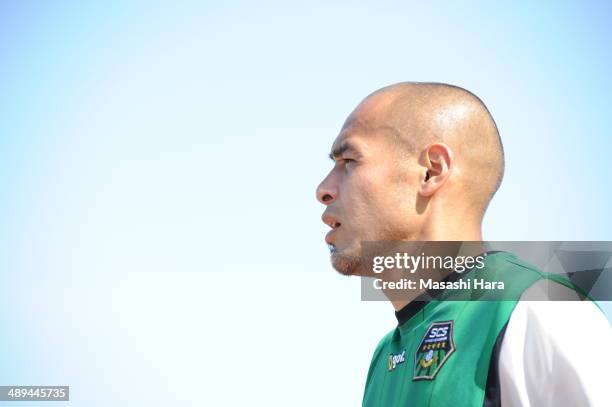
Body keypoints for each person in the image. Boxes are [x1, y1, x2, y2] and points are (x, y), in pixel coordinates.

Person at [316, 82, 611, 406]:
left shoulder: (540, 309)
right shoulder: (384, 358)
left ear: (431, 171)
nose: (323, 189)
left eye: (349, 161)